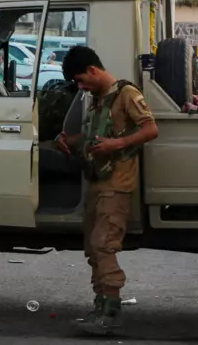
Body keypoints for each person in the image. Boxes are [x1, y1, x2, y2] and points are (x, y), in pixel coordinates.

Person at [52, 46, 159, 337]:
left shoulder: (127, 94)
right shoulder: (98, 100)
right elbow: (94, 137)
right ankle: (100, 307)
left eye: (81, 80)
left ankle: (111, 311)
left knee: (104, 245)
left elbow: (150, 129)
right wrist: (70, 141)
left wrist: (117, 146)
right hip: (98, 181)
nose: (80, 87)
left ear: (94, 71)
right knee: (92, 248)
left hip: (117, 184)